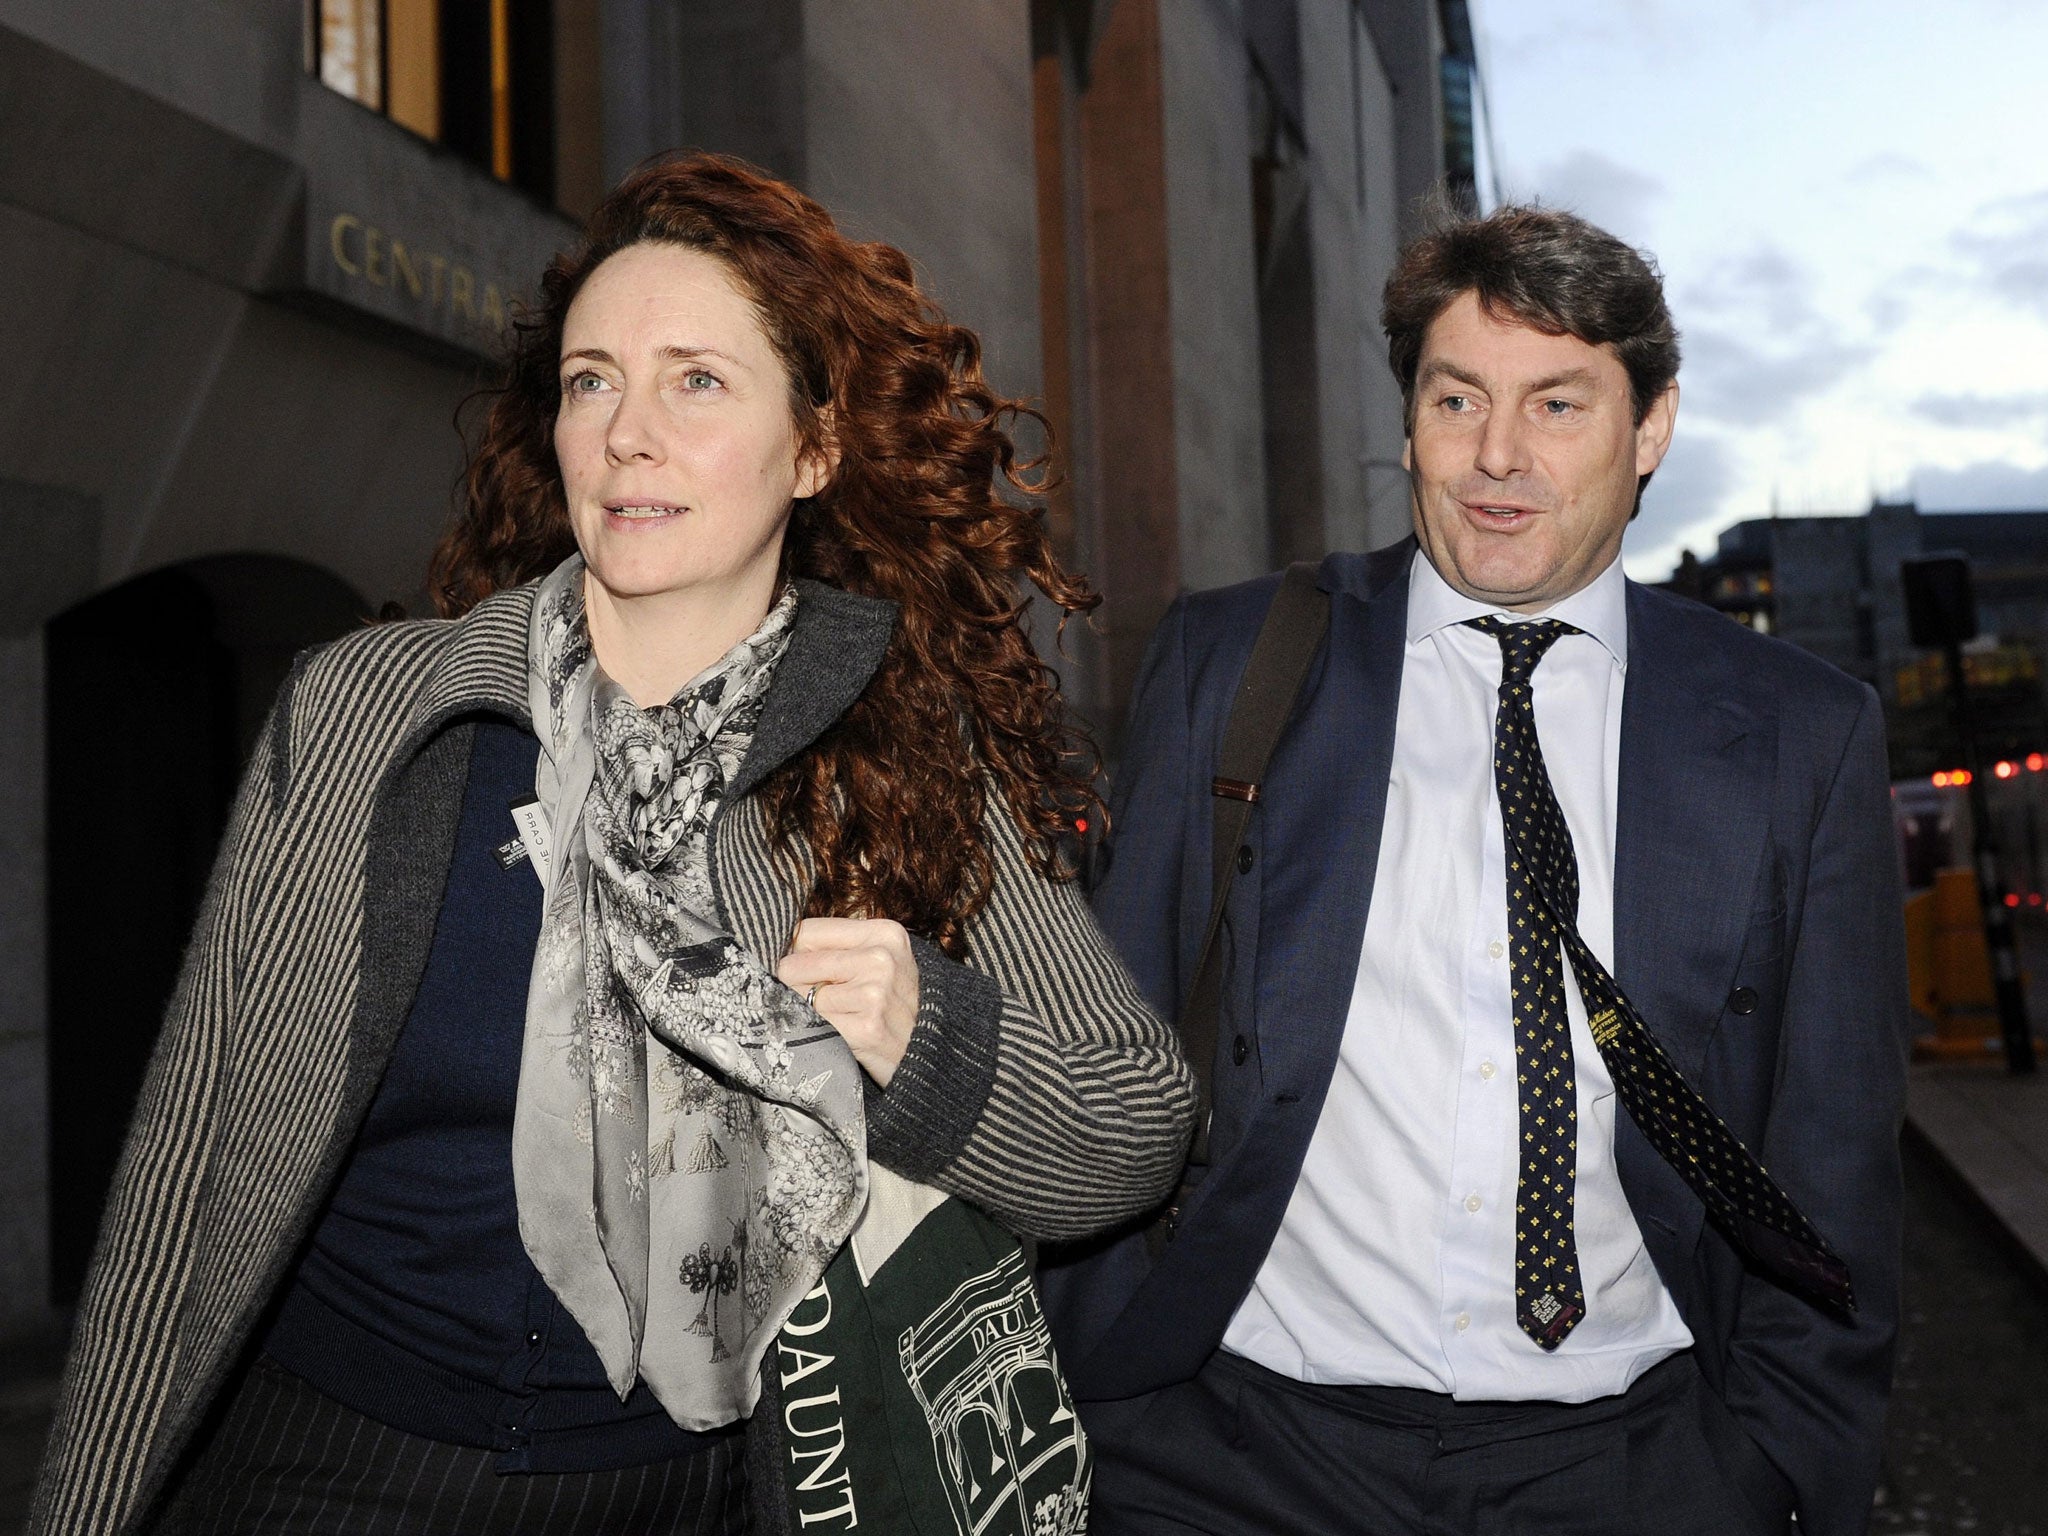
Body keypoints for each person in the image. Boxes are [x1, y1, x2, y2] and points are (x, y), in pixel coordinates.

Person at [32, 154, 1194, 1536]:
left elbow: (1134, 1126)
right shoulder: (376, 710)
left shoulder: (896, 752)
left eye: (696, 380)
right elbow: (192, 1155)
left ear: (815, 447)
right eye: (593, 380)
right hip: (315, 1474)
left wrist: (925, 1038)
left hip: (676, 1497)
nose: (628, 432)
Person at [1040, 204, 1910, 1535]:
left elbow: (1835, 1146)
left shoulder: (1801, 730)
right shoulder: (1238, 664)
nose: (1499, 456)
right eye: (1460, 400)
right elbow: (1114, 1034)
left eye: (1559, 405)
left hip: (1635, 1466)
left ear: (1651, 430)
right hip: (1233, 1452)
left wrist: (1771, 1467)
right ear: (1410, 425)